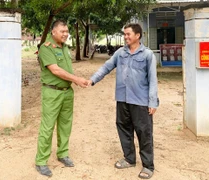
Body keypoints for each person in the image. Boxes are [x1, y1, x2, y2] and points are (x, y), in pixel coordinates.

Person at [88, 23, 159, 179]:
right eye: (125, 34)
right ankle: (129, 159)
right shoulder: (120, 53)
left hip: (140, 101)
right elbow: (106, 67)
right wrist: (92, 80)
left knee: (144, 133)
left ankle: (148, 166)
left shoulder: (147, 55)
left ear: (137, 35)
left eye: (128, 34)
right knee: (124, 129)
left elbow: (153, 80)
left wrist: (153, 102)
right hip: (122, 98)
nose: (126, 37)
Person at [35, 19, 89, 177]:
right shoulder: (46, 48)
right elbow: (56, 70)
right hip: (52, 93)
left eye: (67, 31)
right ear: (53, 32)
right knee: (48, 127)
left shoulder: (65, 48)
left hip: (67, 92)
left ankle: (62, 154)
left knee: (65, 125)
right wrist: (76, 79)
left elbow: (66, 69)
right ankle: (41, 161)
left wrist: (73, 81)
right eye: (62, 31)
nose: (66, 34)